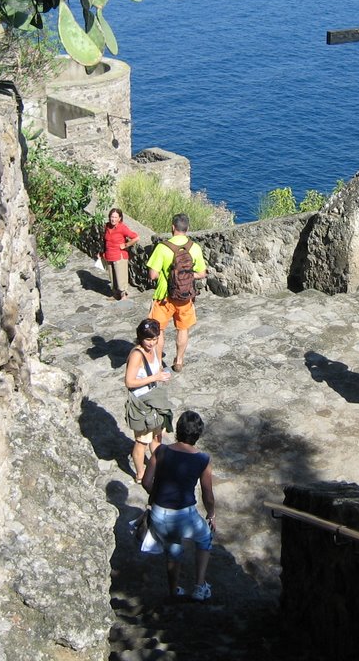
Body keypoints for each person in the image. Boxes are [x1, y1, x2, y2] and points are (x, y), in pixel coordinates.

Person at [141, 410, 216, 602]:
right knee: (205, 538)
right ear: (198, 434)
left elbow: (147, 482)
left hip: (159, 513)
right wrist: (211, 515)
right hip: (185, 515)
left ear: (178, 430)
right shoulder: (202, 459)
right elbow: (207, 494)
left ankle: (174, 591)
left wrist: (158, 495)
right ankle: (200, 586)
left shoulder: (161, 451)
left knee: (173, 548)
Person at [146, 213, 207, 373]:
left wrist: (170, 276)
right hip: (185, 296)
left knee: (158, 330)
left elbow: (153, 274)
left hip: (164, 296)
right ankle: (179, 361)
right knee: (183, 329)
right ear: (187, 229)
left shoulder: (162, 247)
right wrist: (186, 276)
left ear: (173, 227)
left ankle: (158, 364)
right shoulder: (194, 247)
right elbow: (202, 273)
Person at [124, 318, 173, 482]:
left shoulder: (154, 349)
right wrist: (155, 377)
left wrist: (161, 376)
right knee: (142, 441)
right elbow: (129, 382)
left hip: (154, 401)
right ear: (140, 338)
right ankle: (140, 474)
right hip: (142, 404)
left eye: (154, 339)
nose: (151, 343)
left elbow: (156, 368)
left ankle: (157, 465)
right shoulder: (137, 355)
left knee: (157, 436)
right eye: (148, 339)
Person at [103, 207, 139, 300]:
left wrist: (126, 245)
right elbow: (104, 240)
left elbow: (135, 237)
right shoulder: (107, 226)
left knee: (120, 277)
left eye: (115, 217)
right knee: (112, 276)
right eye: (112, 216)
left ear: (119, 218)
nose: (113, 219)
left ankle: (123, 295)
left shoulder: (122, 228)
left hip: (119, 256)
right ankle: (115, 294)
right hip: (109, 255)